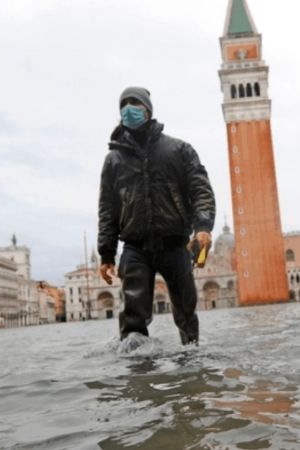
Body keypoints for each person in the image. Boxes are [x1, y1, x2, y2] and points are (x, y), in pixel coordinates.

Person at [97, 87, 216, 345]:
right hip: (135, 247)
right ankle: (137, 373)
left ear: (148, 110)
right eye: (124, 104)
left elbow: (200, 190)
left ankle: (193, 369)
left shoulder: (179, 150)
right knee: (132, 319)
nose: (129, 108)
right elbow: (108, 209)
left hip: (176, 243)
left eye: (135, 103)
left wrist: (203, 225)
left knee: (186, 314)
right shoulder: (113, 160)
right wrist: (106, 254)